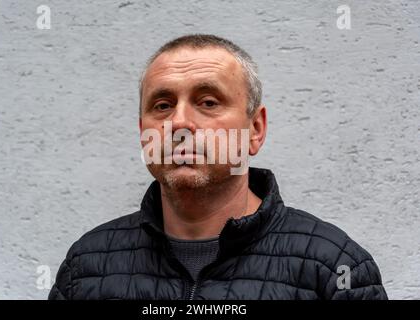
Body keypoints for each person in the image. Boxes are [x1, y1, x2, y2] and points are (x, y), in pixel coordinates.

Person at [49, 34, 388, 300]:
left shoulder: (334, 268)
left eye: (208, 102)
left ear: (255, 129)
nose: (179, 122)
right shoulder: (87, 265)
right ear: (143, 132)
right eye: (163, 105)